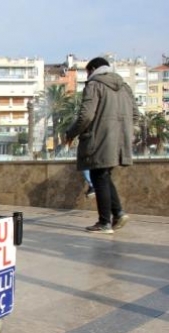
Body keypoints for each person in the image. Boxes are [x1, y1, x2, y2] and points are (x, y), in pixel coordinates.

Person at [65, 57, 138, 234]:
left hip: (100, 139)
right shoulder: (124, 87)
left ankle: (105, 222)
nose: (87, 76)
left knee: (99, 176)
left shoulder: (94, 85)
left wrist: (70, 133)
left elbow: (86, 116)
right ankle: (118, 213)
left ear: (94, 69)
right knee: (104, 176)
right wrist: (130, 134)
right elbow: (135, 114)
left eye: (88, 72)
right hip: (120, 140)